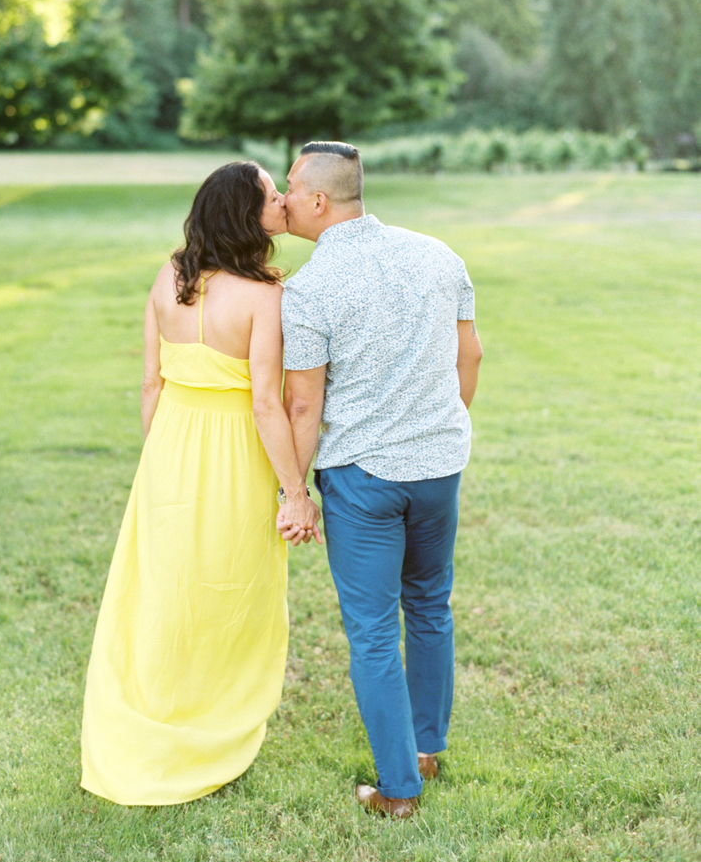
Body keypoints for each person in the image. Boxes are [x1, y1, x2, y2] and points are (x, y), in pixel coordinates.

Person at [81, 160, 320, 807]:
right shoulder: (266, 294)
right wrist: (295, 491)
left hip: (169, 448)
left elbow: (151, 383)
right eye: (271, 194)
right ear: (248, 214)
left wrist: (159, 459)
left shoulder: (168, 277)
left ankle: (159, 709)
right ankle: (210, 721)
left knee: (165, 585)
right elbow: (267, 404)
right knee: (229, 585)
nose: (280, 201)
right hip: (234, 454)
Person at [277, 141, 482, 821]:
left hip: (362, 479)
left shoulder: (309, 289)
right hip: (438, 468)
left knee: (371, 631)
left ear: (317, 201)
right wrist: (437, 432)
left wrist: (295, 491)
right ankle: (425, 748)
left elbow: (303, 405)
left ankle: (398, 789)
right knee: (430, 605)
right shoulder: (438, 253)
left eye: (288, 186)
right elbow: (469, 353)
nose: (280, 197)